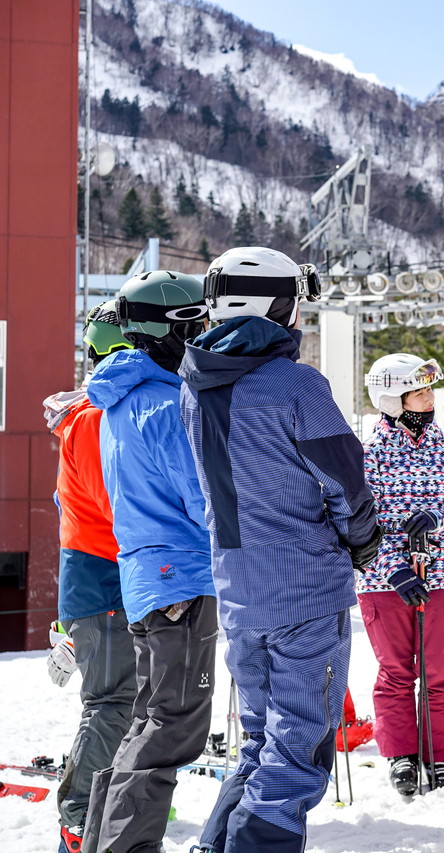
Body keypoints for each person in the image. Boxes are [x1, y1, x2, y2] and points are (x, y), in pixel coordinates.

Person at [179, 246, 381, 853]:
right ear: (279, 304)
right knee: (298, 748)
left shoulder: (194, 383)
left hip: (239, 588)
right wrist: (363, 538)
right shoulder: (296, 384)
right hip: (305, 591)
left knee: (262, 742)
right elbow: (345, 478)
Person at [81, 272, 218, 853]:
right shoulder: (166, 405)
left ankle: (102, 841)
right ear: (171, 329)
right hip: (180, 577)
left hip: (147, 578)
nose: (204, 337)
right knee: (172, 727)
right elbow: (204, 499)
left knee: (149, 720)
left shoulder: (122, 398)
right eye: (196, 325)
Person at [360, 353, 444, 795]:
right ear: (392, 399)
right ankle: (401, 755)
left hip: (438, 574)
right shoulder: (368, 455)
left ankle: (439, 754)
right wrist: (394, 570)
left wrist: (437, 518)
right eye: (419, 391)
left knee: (440, 669)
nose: (429, 399)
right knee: (395, 671)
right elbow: (359, 527)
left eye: (430, 390)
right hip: (382, 580)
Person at [42, 301, 136, 853]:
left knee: (122, 702)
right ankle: (79, 819)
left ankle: (100, 811)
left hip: (99, 582)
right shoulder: (99, 418)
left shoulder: (95, 414)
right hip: (105, 582)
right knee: (113, 703)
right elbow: (118, 507)